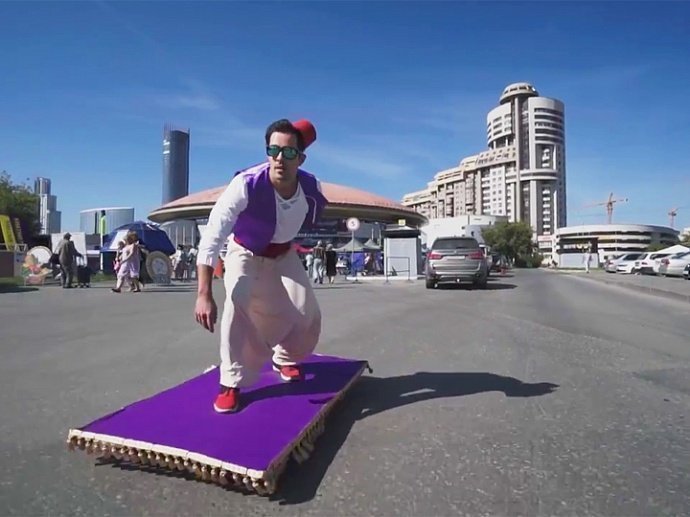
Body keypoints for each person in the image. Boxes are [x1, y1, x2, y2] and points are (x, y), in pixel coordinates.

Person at [194, 118, 328, 414]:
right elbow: (213, 237)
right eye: (274, 150)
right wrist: (204, 294)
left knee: (307, 313)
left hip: (283, 253)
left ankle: (284, 358)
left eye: (289, 152)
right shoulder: (245, 184)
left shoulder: (311, 188)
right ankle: (231, 382)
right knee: (238, 301)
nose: (280, 159)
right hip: (245, 250)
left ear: (300, 159)